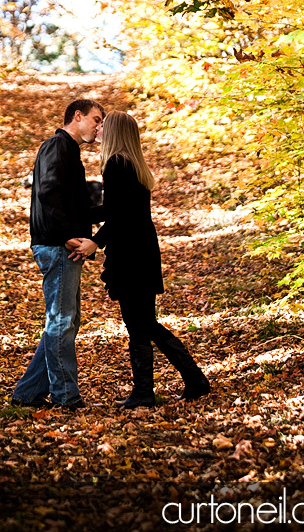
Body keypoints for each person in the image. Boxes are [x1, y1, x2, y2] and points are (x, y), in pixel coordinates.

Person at [73, 110, 210, 408]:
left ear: (115, 132)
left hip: (131, 254)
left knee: (141, 324)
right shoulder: (130, 162)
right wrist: (80, 216)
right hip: (139, 250)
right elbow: (118, 212)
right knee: (143, 323)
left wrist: (95, 241)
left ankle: (157, 389)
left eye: (103, 126)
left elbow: (119, 216)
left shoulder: (116, 164)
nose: (98, 129)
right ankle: (185, 383)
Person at [11, 98, 105, 410]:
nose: (98, 126)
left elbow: (73, 205)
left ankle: (28, 392)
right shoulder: (57, 146)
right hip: (56, 245)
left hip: (59, 244)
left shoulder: (68, 150)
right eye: (95, 119)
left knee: (65, 320)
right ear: (77, 116)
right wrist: (66, 235)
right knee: (63, 321)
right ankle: (66, 395)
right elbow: (47, 191)